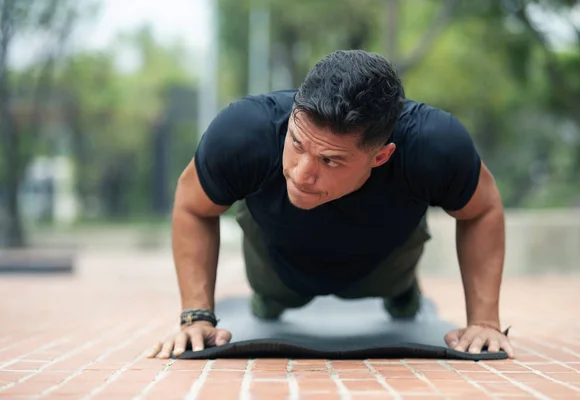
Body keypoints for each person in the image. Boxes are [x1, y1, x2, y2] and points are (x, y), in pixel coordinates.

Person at [147, 49, 514, 360]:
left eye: (331, 160)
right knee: (270, 302)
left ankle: (404, 295)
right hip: (277, 268)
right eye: (297, 143)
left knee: (398, 289)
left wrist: (484, 323)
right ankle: (267, 302)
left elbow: (481, 210)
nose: (302, 173)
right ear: (293, 115)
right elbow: (194, 207)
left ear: (382, 156)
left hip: (384, 266)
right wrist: (195, 316)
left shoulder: (434, 145)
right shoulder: (245, 132)